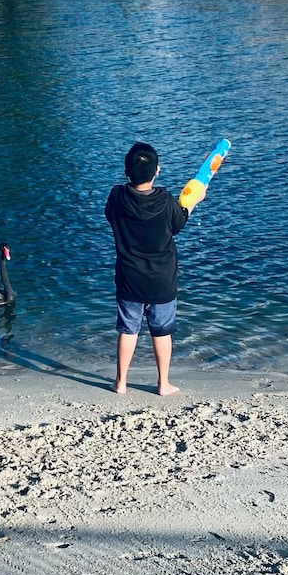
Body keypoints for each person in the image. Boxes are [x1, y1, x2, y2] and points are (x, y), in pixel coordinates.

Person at [105, 141, 189, 395]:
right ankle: (163, 383)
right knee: (162, 331)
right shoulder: (165, 200)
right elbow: (178, 224)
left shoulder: (117, 196)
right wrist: (193, 202)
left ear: (125, 172)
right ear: (158, 171)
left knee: (127, 329)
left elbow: (110, 215)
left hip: (129, 276)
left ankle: (120, 383)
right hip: (162, 278)